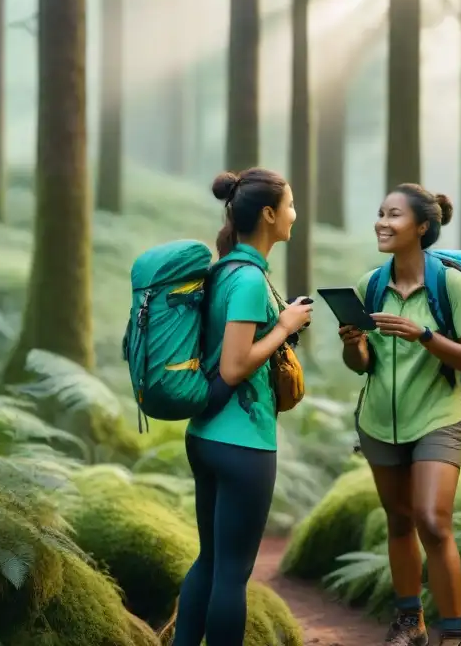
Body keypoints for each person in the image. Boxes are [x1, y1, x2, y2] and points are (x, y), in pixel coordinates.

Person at [339, 184, 461, 646]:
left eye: (394, 215)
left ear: (422, 227)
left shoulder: (450, 284)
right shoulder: (370, 286)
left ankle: (454, 632)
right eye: (380, 213)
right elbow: (362, 366)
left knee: (432, 519)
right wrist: (353, 346)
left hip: (437, 415)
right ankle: (410, 622)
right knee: (399, 520)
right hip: (379, 419)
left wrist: (422, 333)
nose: (382, 222)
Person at [172, 168, 313, 646]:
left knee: (209, 561)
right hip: (243, 443)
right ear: (270, 215)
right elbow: (234, 367)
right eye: (290, 205)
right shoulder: (249, 279)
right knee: (232, 574)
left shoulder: (224, 270)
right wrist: (284, 325)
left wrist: (280, 325)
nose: (295, 214)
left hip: (205, 434)